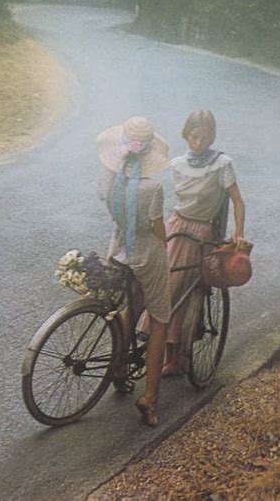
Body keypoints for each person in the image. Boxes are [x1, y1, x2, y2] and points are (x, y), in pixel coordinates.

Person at [139, 109, 245, 376]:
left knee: (186, 292)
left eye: (205, 137)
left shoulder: (222, 164)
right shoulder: (177, 164)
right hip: (176, 226)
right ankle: (158, 346)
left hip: (201, 234)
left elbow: (237, 201)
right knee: (163, 285)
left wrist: (238, 233)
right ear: (186, 135)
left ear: (212, 137)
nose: (199, 142)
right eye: (194, 136)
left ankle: (174, 357)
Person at [97, 116, 171, 426]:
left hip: (118, 250)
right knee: (159, 319)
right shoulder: (152, 187)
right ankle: (150, 397)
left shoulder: (111, 175)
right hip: (146, 256)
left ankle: (117, 367)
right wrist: (167, 237)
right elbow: (156, 228)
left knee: (129, 304)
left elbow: (107, 203)